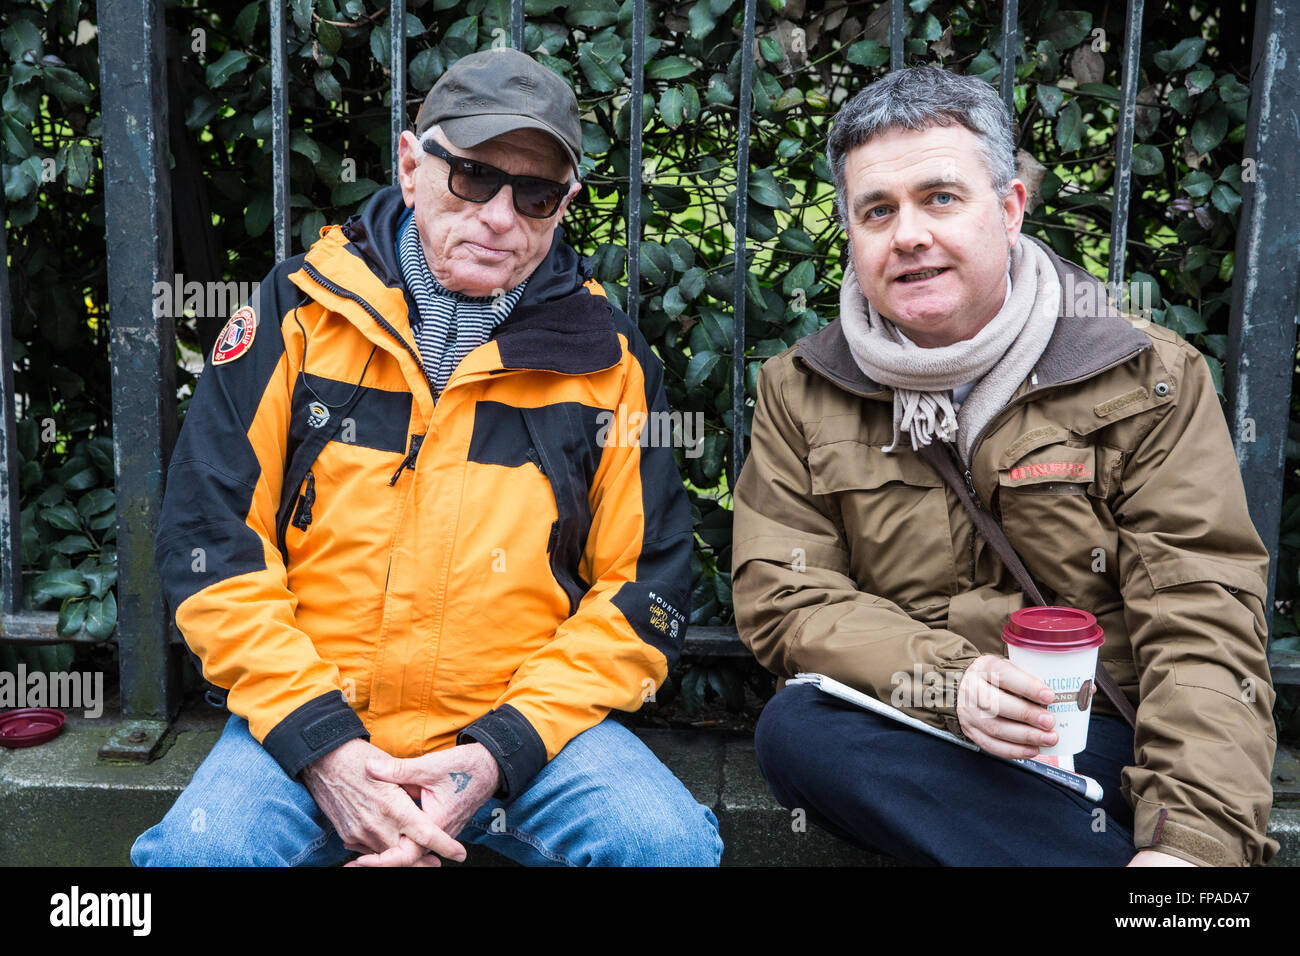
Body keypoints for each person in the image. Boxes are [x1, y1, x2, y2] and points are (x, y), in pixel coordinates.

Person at [133, 48, 722, 867]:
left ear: (565, 206)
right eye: (473, 177)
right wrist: (326, 749)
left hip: (524, 731)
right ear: (412, 165)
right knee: (202, 855)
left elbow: (645, 590)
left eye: (536, 194)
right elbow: (213, 548)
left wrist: (501, 751)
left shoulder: (610, 360)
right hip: (311, 722)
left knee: (668, 846)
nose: (499, 217)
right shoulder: (295, 314)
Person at [732, 65, 1277, 866]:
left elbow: (1203, 617)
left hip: (1103, 730)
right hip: (921, 718)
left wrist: (1190, 844)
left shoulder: (1144, 373)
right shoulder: (802, 388)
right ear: (851, 232)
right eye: (877, 211)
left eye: (940, 198)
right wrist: (952, 684)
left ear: (1010, 208)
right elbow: (785, 595)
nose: (909, 234)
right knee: (797, 732)